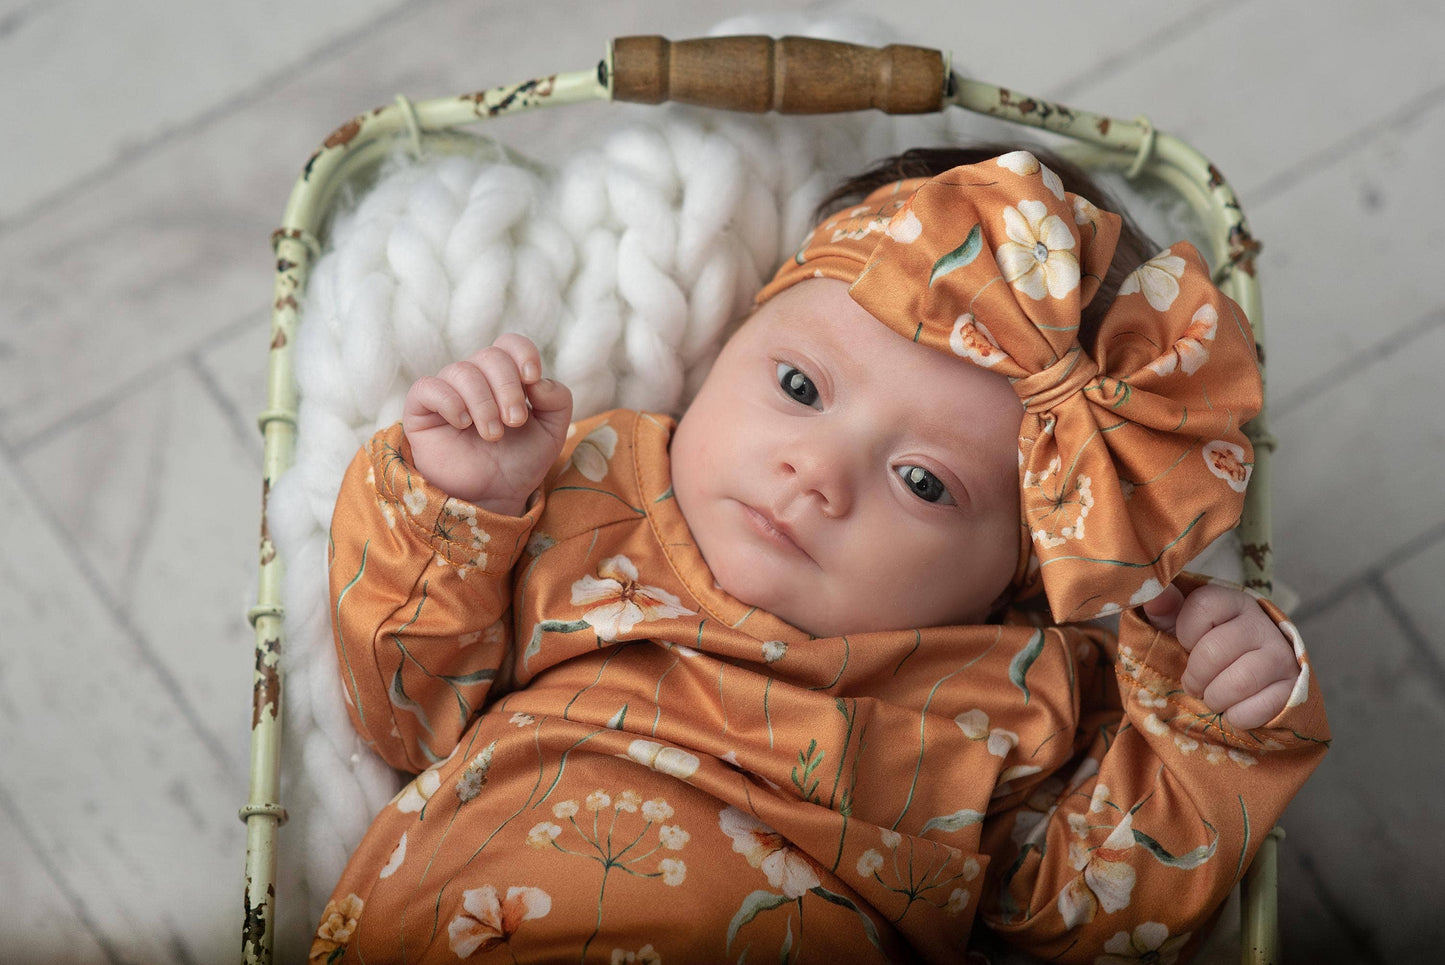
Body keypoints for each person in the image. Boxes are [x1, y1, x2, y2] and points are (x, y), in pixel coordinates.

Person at [310, 146, 1328, 964]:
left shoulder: (1013, 697)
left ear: (1013, 574)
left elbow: (1084, 920)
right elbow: (410, 707)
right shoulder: (594, 491)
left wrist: (1207, 727)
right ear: (723, 352)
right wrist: (454, 499)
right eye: (797, 386)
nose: (816, 473)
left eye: (924, 482)